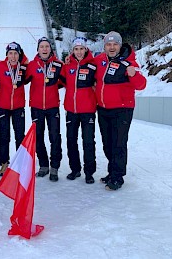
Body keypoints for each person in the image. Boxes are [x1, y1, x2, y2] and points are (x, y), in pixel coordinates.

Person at [94, 31, 147, 190]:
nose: (112, 47)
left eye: (115, 44)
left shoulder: (129, 63)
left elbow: (141, 85)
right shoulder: (100, 60)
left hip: (122, 110)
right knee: (107, 143)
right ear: (104, 46)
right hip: (103, 109)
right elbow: (84, 63)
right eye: (108, 44)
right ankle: (112, 171)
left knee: (118, 143)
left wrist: (133, 74)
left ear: (120, 45)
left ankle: (117, 177)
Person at [60, 37, 97, 184]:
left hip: (87, 109)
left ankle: (89, 172)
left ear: (86, 49)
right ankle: (75, 169)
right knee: (71, 140)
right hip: (71, 109)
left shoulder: (93, 66)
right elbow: (60, 81)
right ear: (72, 51)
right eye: (76, 49)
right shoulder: (67, 66)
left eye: (82, 49)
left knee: (88, 141)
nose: (79, 52)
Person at [26, 37, 63, 182]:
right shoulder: (32, 65)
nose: (44, 49)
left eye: (47, 46)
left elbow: (66, 81)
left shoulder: (59, 65)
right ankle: (43, 165)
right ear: (38, 49)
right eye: (42, 46)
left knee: (55, 137)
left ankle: (54, 167)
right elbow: (22, 79)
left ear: (50, 48)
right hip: (36, 107)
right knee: (39, 137)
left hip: (53, 106)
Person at [0, 42, 28, 176]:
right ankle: (4, 163)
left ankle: (20, 163)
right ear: (6, 54)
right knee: (4, 135)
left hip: (18, 106)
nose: (13, 56)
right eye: (10, 53)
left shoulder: (24, 67)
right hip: (3, 106)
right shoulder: (0, 66)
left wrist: (23, 58)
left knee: (20, 136)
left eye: (15, 53)